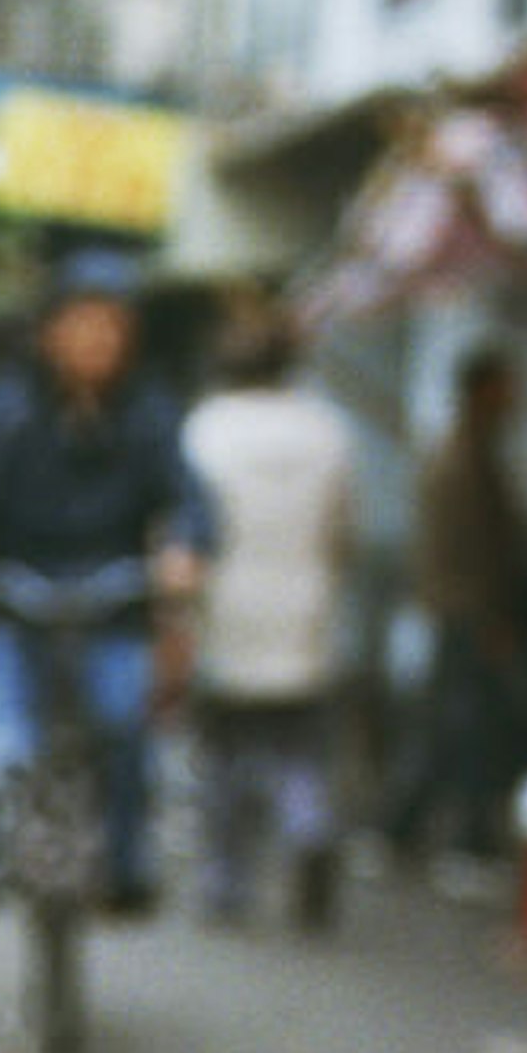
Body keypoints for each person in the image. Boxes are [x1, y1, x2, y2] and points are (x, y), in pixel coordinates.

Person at [0, 250, 210, 920]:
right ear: (50, 332)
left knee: (126, 726)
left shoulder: (149, 413)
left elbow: (190, 500)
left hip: (113, 604)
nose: (96, 341)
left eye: (110, 327)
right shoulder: (7, 407)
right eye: (82, 324)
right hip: (19, 602)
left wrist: (187, 549)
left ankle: (129, 864)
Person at [180, 288, 359, 928]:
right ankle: (307, 828)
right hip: (305, 609)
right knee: (300, 750)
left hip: (227, 614)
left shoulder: (206, 430)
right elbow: (343, 533)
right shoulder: (327, 429)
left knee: (224, 758)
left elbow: (183, 536)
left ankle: (226, 885)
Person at [390, 341, 527, 892]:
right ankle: (458, 835)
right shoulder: (463, 458)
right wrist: (492, 615)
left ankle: (408, 826)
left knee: (456, 723)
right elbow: (475, 547)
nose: (515, 398)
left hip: (459, 607)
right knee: (463, 725)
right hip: (466, 609)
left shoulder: (466, 451)